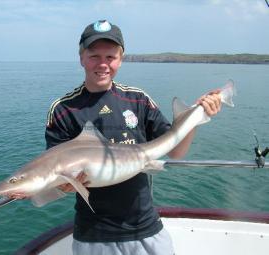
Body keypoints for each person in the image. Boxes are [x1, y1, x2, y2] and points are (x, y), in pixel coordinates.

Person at [45, 20, 221, 255]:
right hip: (94, 235)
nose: (103, 64)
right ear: (81, 58)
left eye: (111, 57)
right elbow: (56, 180)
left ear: (121, 58)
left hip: (146, 228)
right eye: (94, 56)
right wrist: (63, 186)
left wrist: (196, 117)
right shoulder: (64, 110)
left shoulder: (138, 100)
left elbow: (176, 152)